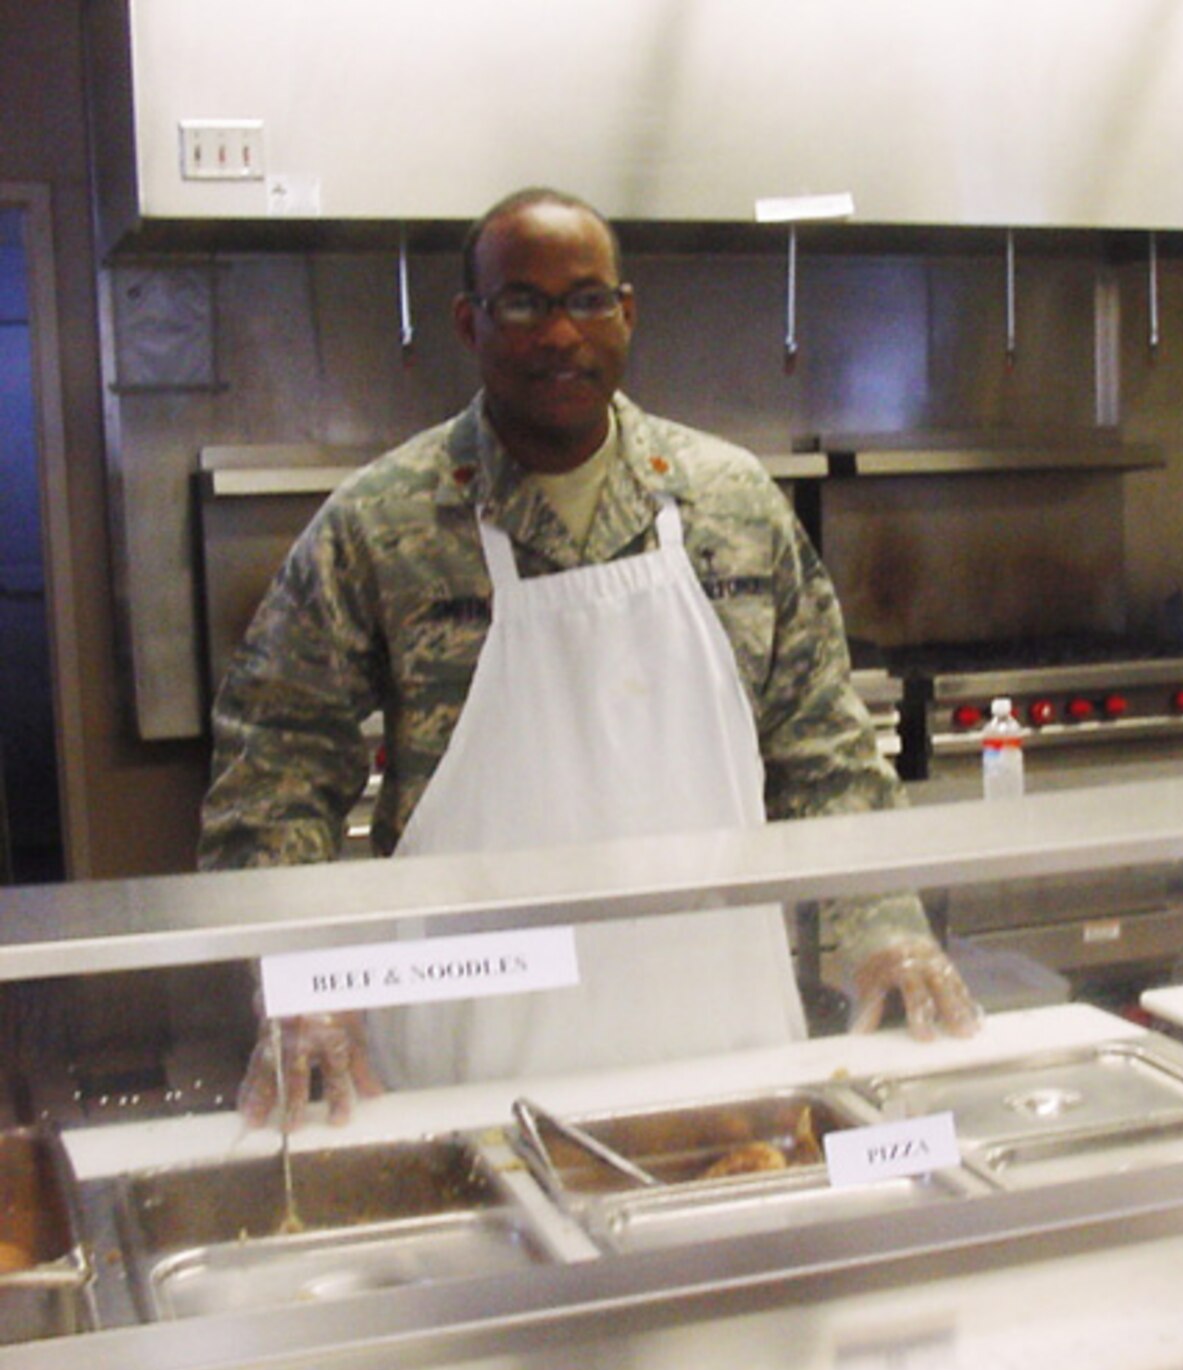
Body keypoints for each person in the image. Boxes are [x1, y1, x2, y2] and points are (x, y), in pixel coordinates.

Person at [202, 187, 979, 1126]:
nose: (559, 333)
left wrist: (884, 929)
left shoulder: (730, 505)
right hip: (471, 1053)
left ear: (627, 313)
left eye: (586, 300)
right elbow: (272, 771)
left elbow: (828, 755)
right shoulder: (382, 524)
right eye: (521, 303)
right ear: (469, 323)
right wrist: (304, 983)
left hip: (716, 1032)